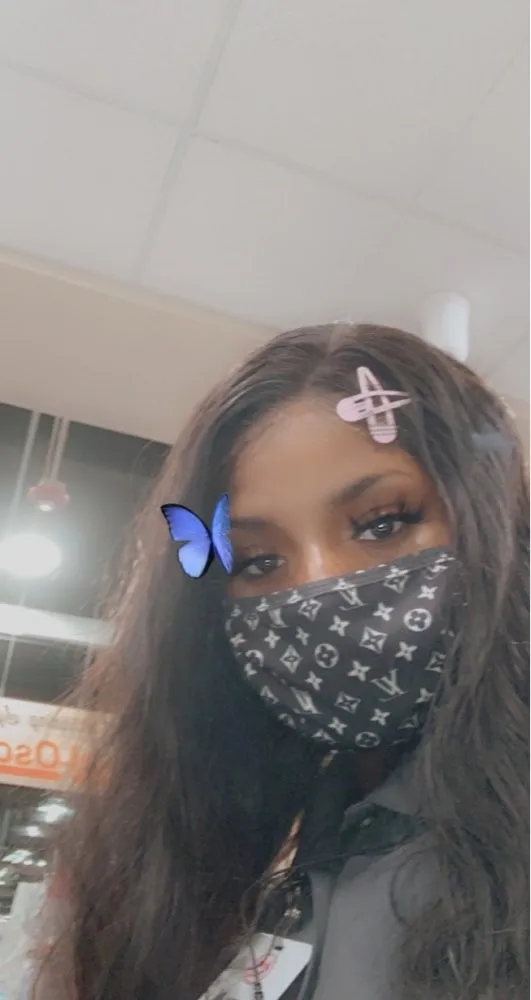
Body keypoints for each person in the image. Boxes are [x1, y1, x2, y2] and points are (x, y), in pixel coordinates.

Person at [34, 324, 528, 1000]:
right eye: (259, 561)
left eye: (382, 523)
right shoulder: (235, 859)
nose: (318, 583)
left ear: (494, 527)